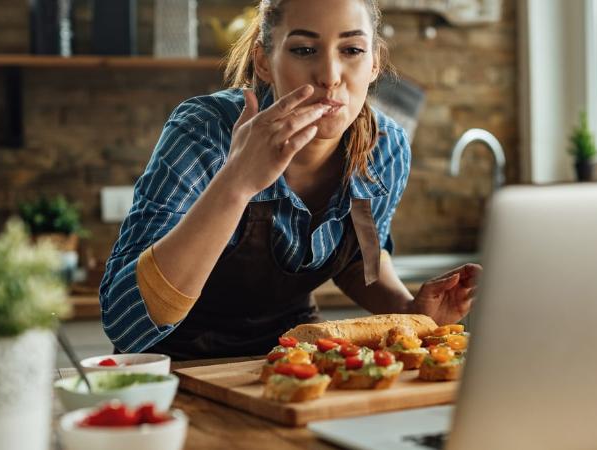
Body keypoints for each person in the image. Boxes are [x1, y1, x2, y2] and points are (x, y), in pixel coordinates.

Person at [99, 0, 482, 360]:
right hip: (176, 367)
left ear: (375, 63)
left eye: (351, 51)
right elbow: (124, 323)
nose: (330, 77)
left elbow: (361, 261)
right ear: (264, 62)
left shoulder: (386, 149)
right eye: (303, 50)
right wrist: (236, 183)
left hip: (291, 360)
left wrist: (413, 311)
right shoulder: (205, 132)